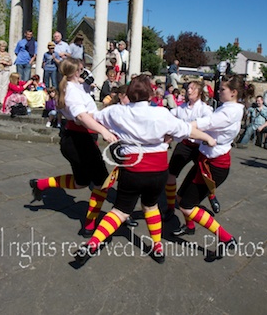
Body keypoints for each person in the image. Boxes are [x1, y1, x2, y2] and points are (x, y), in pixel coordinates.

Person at [74, 74, 216, 265]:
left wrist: (82, 115)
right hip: (157, 171)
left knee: (120, 211)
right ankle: (157, 247)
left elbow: (87, 118)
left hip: (133, 169)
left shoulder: (116, 111)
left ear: (129, 94)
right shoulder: (161, 113)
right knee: (151, 206)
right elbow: (187, 130)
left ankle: (92, 244)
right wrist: (208, 138)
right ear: (150, 95)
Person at [29, 58, 117, 238]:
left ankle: (40, 184)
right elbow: (82, 117)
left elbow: (88, 82)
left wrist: (89, 81)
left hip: (80, 138)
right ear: (75, 72)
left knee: (81, 182)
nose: (85, 72)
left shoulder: (78, 85)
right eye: (82, 69)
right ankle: (89, 225)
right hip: (78, 140)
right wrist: (104, 132)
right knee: (101, 182)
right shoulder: (71, 91)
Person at [174, 75, 245, 259]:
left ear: (233, 93)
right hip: (205, 160)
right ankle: (190, 227)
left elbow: (207, 123)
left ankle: (226, 239)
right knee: (181, 197)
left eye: (222, 89)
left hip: (215, 166)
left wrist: (182, 127)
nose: (219, 92)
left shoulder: (231, 111)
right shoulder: (228, 107)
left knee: (187, 206)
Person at [164, 80, 216, 225]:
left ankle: (212, 196)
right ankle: (169, 207)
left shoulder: (205, 109)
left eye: (193, 88)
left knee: (205, 174)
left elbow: (210, 120)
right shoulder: (182, 108)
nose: (189, 90)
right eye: (188, 88)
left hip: (200, 145)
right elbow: (169, 114)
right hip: (185, 144)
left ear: (199, 92)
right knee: (171, 175)